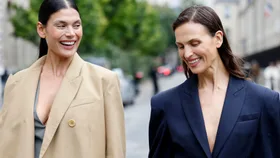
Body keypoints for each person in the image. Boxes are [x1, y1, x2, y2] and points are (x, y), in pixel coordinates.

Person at [148, 5, 280, 158]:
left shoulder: (264, 100)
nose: (187, 53)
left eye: (194, 43)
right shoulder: (165, 104)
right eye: (181, 46)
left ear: (218, 39)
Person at [0, 0, 125, 158]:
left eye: (76, 25)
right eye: (61, 25)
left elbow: (115, 151)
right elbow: (5, 146)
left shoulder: (104, 81)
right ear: (41, 29)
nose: (71, 33)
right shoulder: (16, 84)